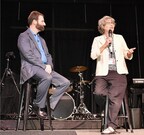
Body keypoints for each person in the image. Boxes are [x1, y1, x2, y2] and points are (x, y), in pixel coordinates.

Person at [17, 11, 70, 118]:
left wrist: (49, 65)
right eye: (42, 21)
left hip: (44, 68)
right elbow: (28, 55)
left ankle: (48, 105)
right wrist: (44, 66)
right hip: (31, 67)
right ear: (34, 21)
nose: (44, 24)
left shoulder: (41, 39)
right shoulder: (23, 36)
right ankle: (37, 105)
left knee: (65, 82)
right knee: (47, 77)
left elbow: (48, 55)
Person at [90, 15, 136, 134]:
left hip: (118, 73)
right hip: (103, 73)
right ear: (103, 27)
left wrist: (129, 53)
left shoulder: (120, 38)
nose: (112, 25)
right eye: (109, 23)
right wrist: (105, 44)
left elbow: (126, 54)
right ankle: (109, 104)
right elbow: (93, 55)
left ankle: (111, 126)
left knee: (115, 99)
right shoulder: (97, 39)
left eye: (113, 23)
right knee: (99, 92)